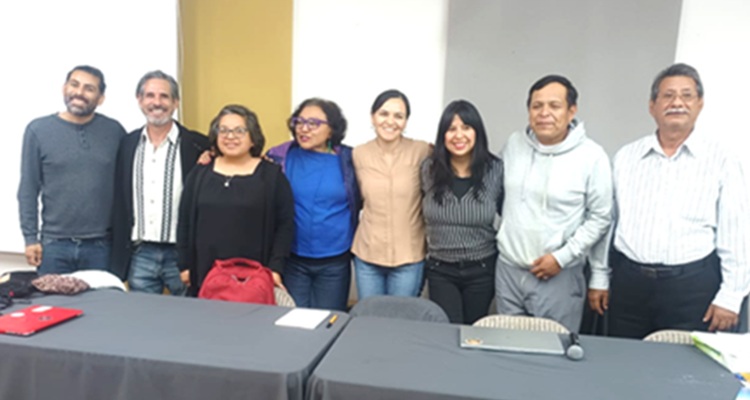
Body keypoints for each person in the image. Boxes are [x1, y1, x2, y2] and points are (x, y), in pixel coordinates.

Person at [602, 63, 750, 338]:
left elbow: (737, 232)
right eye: (668, 96)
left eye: (686, 96)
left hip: (692, 287)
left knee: (683, 361)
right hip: (630, 285)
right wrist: (600, 278)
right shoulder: (626, 157)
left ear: (700, 104)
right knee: (623, 358)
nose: (677, 103)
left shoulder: (722, 160)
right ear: (652, 106)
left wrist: (731, 296)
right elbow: (609, 222)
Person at [495, 75, 612, 333]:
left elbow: (601, 217)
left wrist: (561, 258)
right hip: (509, 271)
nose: (544, 113)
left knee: (554, 350)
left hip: (558, 276)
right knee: (505, 347)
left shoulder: (592, 156)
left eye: (554, 106)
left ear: (572, 111)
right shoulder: (514, 144)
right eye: (537, 106)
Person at [18, 65, 127, 274]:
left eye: (89, 88)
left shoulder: (115, 131)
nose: (79, 92)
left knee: (102, 297)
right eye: (74, 85)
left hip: (101, 246)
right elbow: (28, 189)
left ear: (101, 98)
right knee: (51, 297)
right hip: (53, 246)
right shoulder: (37, 130)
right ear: (64, 88)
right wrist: (30, 238)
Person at [177, 105, 294, 294]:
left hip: (254, 278)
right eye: (223, 130)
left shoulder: (272, 176)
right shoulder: (199, 173)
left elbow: (285, 225)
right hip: (204, 274)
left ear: (253, 137)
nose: (230, 136)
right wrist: (184, 265)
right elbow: (184, 221)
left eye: (239, 131)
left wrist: (275, 268)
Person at [110, 71, 209, 295]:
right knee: (143, 315)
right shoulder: (127, 144)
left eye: (164, 96)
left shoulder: (198, 145)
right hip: (140, 254)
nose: (157, 102)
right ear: (140, 100)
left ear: (176, 102)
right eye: (150, 95)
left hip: (182, 255)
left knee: (189, 313)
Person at [267, 98, 361, 311]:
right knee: (294, 320)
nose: (304, 128)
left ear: (332, 130)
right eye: (299, 122)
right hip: (293, 259)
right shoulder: (280, 157)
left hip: (334, 260)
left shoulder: (349, 160)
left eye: (314, 123)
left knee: (329, 320)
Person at [421, 100, 503, 324]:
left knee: (474, 330)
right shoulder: (428, 169)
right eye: (451, 129)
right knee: (448, 329)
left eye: (466, 127)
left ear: (477, 132)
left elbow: (511, 216)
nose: (459, 135)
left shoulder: (495, 169)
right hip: (440, 269)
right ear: (443, 135)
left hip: (482, 268)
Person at [352, 90, 432, 299]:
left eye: (399, 116)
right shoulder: (359, 154)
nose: (390, 121)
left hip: (409, 257)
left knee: (400, 316)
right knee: (369, 315)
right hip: (368, 254)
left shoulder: (422, 151)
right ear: (373, 117)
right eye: (384, 114)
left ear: (406, 122)